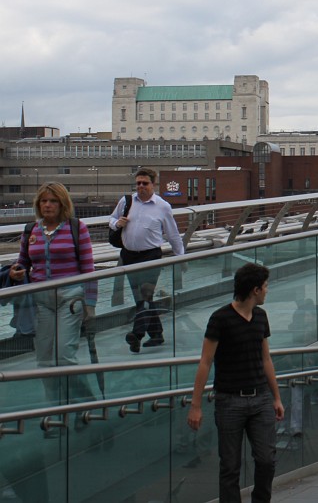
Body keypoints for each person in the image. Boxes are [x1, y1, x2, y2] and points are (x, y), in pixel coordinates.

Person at [187, 264, 285, 503]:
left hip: (260, 398)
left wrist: (276, 397)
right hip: (229, 400)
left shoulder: (261, 317)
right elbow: (205, 362)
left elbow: (266, 359)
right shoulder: (220, 318)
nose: (267, 291)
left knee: (266, 459)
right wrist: (196, 405)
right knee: (230, 466)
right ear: (255, 290)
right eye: (265, 286)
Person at [8, 183, 96, 403]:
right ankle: (53, 407)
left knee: (64, 356)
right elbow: (23, 262)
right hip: (41, 301)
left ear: (62, 203)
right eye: (43, 201)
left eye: (53, 201)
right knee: (45, 359)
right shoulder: (31, 230)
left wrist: (90, 303)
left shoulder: (77, 228)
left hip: (70, 297)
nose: (47, 205)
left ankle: (84, 400)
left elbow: (88, 267)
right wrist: (15, 273)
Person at [109, 167, 185, 352]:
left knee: (145, 294)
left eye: (145, 183)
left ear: (153, 184)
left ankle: (136, 335)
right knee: (141, 298)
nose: (141, 187)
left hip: (151, 255)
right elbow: (110, 219)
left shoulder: (162, 206)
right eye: (138, 183)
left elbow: (173, 234)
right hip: (128, 255)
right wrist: (117, 223)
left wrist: (181, 257)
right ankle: (157, 334)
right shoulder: (126, 201)